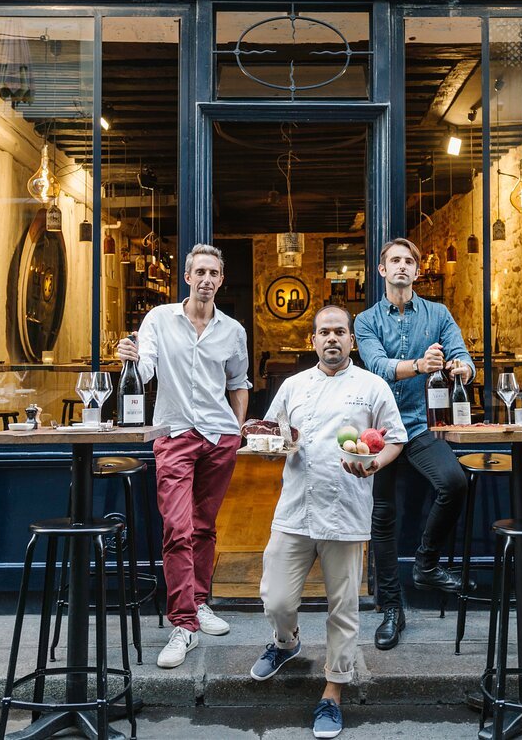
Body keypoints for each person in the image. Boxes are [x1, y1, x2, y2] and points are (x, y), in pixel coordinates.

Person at [248, 305, 407, 739]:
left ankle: (332, 692)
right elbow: (274, 434)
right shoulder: (293, 385)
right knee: (275, 598)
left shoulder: (372, 387)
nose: (332, 338)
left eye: (340, 331)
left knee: (344, 608)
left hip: (346, 510)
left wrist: (374, 463)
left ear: (351, 341)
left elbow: (394, 438)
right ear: (312, 340)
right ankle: (286, 641)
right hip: (295, 507)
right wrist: (266, 445)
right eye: (324, 332)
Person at [116, 243, 251, 669]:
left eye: (215, 272)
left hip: (219, 437)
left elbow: (239, 382)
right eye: (200, 272)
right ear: (187, 278)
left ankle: (199, 601)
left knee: (204, 526)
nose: (208, 279)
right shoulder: (159, 319)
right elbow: (146, 369)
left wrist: (237, 429)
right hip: (173, 433)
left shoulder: (232, 330)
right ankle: (183, 624)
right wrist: (132, 358)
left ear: (221, 280)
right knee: (177, 527)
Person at [353, 237, 475, 651]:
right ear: (382, 270)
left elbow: (466, 359)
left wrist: (461, 368)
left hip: (422, 427)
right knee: (383, 519)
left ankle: (426, 563)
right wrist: (420, 366)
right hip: (381, 432)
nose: (402, 266)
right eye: (394, 261)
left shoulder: (438, 314)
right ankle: (391, 609)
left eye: (409, 261)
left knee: (454, 482)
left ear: (417, 271)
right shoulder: (366, 320)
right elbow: (376, 366)